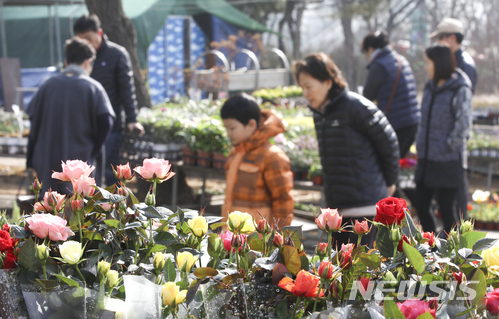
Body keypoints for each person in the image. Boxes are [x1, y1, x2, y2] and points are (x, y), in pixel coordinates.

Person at [293, 53, 400, 247]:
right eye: (302, 88)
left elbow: (388, 142)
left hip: (365, 206)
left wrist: (390, 181)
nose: (305, 93)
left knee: (361, 271)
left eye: (309, 86)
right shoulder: (321, 113)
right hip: (339, 209)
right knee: (339, 270)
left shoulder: (356, 106)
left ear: (327, 82)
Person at [26, 37, 115, 195]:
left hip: (47, 160)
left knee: (51, 207)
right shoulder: (93, 88)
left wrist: (30, 159)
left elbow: (33, 122)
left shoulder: (47, 85)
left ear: (66, 62)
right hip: (82, 159)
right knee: (81, 209)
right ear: (88, 62)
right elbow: (106, 121)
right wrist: (93, 150)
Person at [73, 14, 144, 187]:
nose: (87, 45)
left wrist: (132, 119)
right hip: (84, 125)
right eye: (82, 41)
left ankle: (115, 211)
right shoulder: (78, 58)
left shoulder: (117, 54)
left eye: (89, 39)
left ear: (99, 32)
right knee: (85, 173)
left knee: (110, 173)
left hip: (110, 125)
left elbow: (127, 89)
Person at [414, 44, 472, 235]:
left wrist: (447, 145)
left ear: (438, 63)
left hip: (448, 161)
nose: (426, 66)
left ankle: (454, 254)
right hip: (427, 159)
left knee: (447, 210)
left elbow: (463, 124)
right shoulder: (430, 87)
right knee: (421, 204)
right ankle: (432, 245)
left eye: (428, 62)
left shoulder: (459, 89)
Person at [221, 93, 294, 228]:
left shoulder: (272, 156)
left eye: (232, 128)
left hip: (259, 240)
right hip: (234, 235)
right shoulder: (236, 153)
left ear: (251, 124)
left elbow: (283, 201)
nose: (228, 133)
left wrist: (279, 238)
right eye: (226, 128)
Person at [430, 18, 477, 219]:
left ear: (451, 38)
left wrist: (451, 141)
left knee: (456, 186)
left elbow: (462, 111)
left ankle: (459, 232)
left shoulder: (463, 64)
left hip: (452, 138)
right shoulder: (453, 60)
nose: (437, 43)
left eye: (440, 38)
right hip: (444, 138)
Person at [361, 30, 420, 161]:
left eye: (366, 52)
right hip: (412, 122)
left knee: (386, 166)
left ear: (370, 49)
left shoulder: (379, 65)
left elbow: (366, 97)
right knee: (395, 164)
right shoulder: (401, 60)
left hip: (396, 123)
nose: (366, 57)